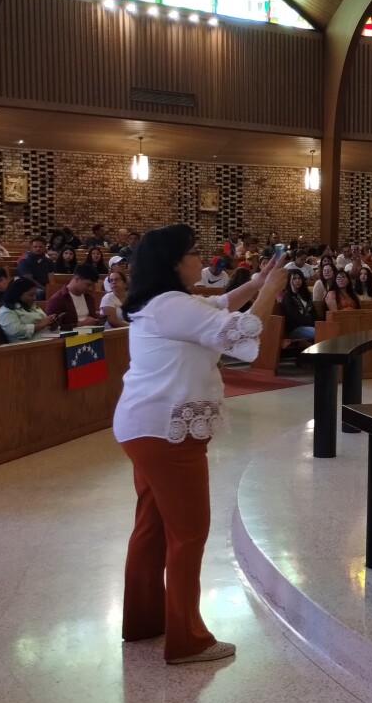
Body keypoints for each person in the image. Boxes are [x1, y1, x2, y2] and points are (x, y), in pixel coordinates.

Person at [115, 223, 286, 664]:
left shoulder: (168, 303)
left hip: (147, 427)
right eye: (193, 254)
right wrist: (273, 290)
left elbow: (221, 304)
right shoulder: (171, 306)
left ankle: (145, 621)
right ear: (174, 263)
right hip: (166, 435)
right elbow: (242, 330)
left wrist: (258, 281)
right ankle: (187, 639)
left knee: (153, 528)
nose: (202, 260)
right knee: (189, 533)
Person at [0, 276, 60, 341]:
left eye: (35, 294)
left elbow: (45, 325)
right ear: (17, 294)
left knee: (67, 336)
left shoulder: (31, 305)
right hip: (28, 345)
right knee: (63, 340)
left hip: (44, 336)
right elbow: (16, 331)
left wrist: (52, 326)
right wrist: (40, 324)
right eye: (31, 295)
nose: (35, 298)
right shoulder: (6, 311)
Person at [45, 264, 102, 328]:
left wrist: (98, 320)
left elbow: (92, 320)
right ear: (77, 279)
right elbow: (51, 328)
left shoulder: (89, 297)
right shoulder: (57, 299)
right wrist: (82, 324)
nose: (90, 288)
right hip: (71, 337)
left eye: (92, 285)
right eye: (88, 285)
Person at [280, 269, 316, 342]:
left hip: (310, 326)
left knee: (326, 330)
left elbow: (313, 312)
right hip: (295, 329)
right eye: (294, 278)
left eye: (299, 278)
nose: (297, 281)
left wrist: (320, 323)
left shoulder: (305, 294)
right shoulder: (288, 296)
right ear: (289, 281)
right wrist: (313, 324)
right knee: (318, 332)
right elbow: (294, 317)